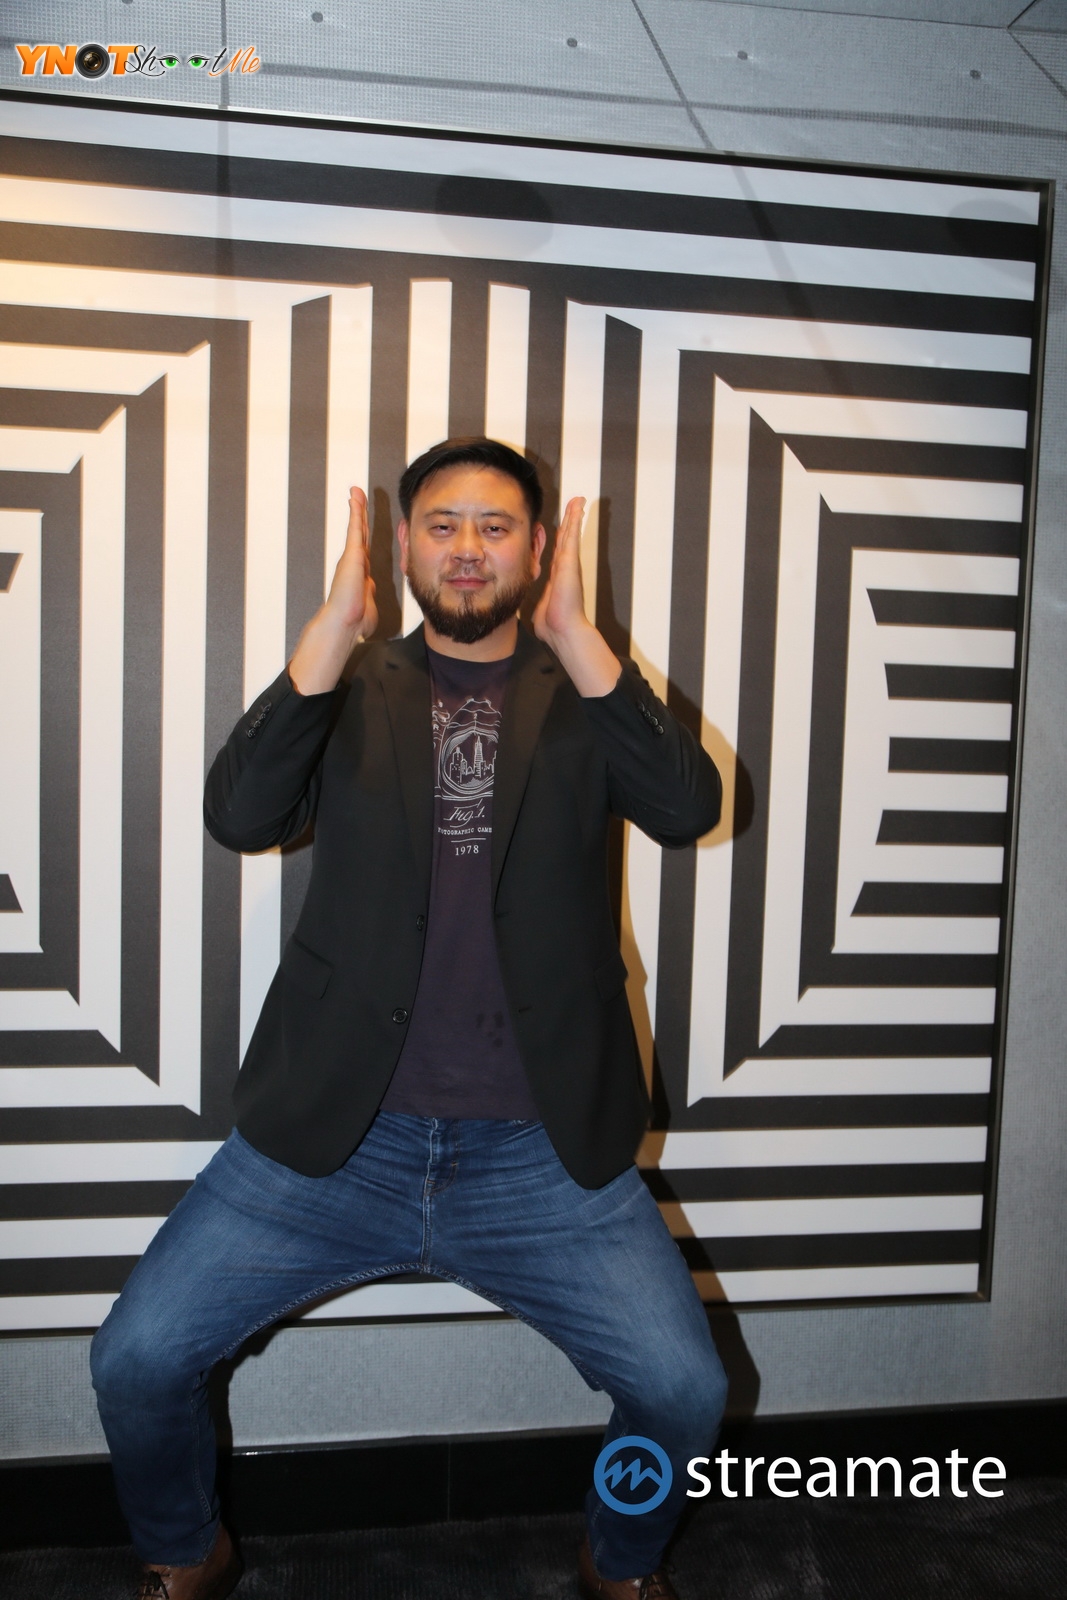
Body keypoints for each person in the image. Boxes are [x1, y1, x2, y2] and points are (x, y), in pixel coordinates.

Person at [90, 437, 728, 1600]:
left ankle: (619, 1558)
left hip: (538, 1150)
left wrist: (580, 638)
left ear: (536, 547)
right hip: (338, 1136)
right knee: (135, 1357)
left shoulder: (587, 691)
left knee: (683, 1390)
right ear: (401, 544)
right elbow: (240, 816)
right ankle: (187, 1548)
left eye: (495, 526)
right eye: (442, 524)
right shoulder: (347, 684)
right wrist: (327, 637)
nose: (467, 548)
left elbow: (688, 810)